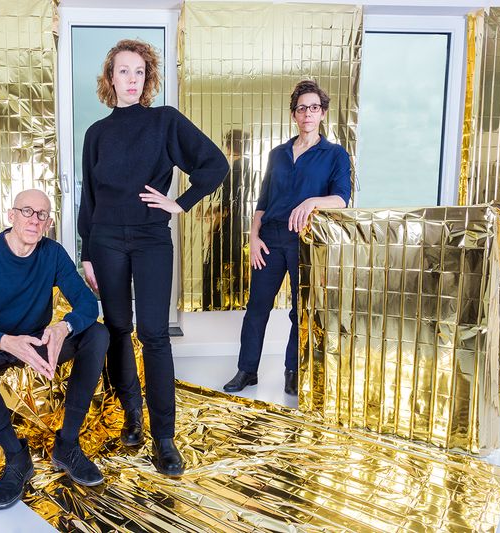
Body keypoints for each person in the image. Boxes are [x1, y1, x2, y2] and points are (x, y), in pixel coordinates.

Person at [78, 39, 228, 478]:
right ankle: (131, 417)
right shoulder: (96, 134)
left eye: (138, 72)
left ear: (148, 80)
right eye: (122, 71)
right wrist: (87, 253)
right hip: (104, 239)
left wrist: (180, 203)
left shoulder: (165, 122)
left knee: (154, 333)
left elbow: (214, 165)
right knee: (118, 328)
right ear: (110, 79)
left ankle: (164, 437)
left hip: (149, 238)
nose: (130, 79)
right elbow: (89, 196)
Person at [0, 189, 110, 510]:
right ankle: (16, 456)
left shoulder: (53, 253)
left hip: (36, 343)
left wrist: (64, 326)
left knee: (97, 334)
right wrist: (1, 340)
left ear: (48, 223)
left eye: (42, 214)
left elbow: (87, 302)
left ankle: (68, 444)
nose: (35, 219)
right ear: (11, 215)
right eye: (28, 211)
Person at [224, 80, 352, 396]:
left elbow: (342, 199)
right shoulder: (278, 154)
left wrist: (310, 202)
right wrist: (253, 237)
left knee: (301, 310)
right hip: (269, 237)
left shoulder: (335, 154)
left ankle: (292, 370)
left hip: (305, 241)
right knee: (257, 307)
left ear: (322, 113)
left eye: (313, 107)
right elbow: (263, 200)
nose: (307, 113)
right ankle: (247, 370)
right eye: (301, 108)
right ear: (294, 115)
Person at [202, 129, 252, 310]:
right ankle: (238, 304)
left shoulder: (232, 171)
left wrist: (213, 228)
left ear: (229, 145)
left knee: (212, 268)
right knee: (240, 268)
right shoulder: (250, 168)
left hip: (229, 229)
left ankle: (213, 305)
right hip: (244, 228)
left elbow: (227, 206)